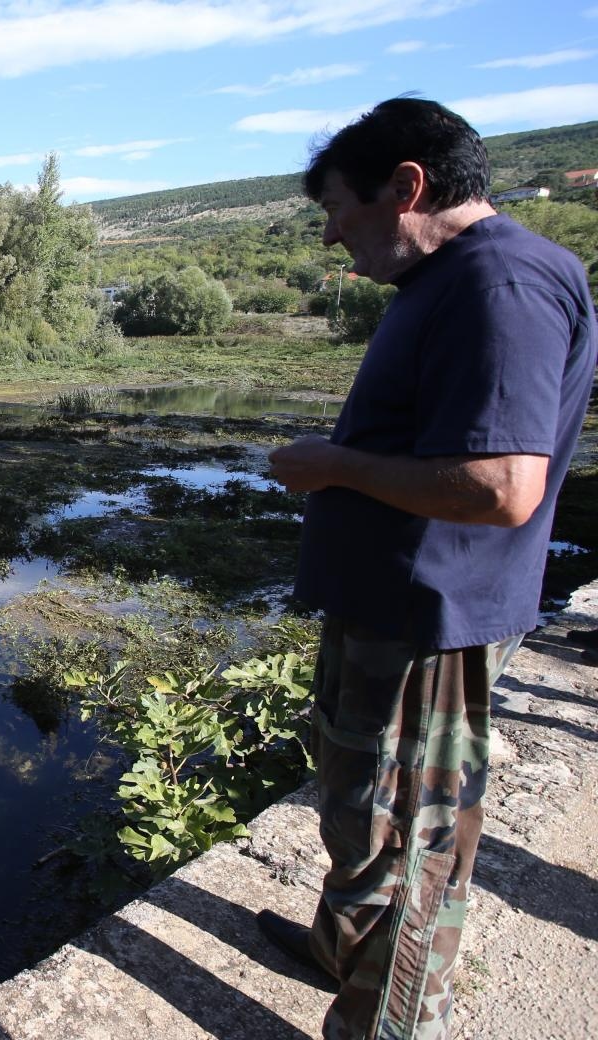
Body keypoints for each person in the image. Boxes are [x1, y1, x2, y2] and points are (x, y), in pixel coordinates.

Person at [263, 97, 595, 1040]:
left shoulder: (501, 285)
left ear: (408, 187)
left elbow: (501, 486)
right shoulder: (452, 283)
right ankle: (342, 952)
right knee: (359, 815)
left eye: (340, 211)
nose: (333, 238)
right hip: (394, 611)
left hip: (430, 624)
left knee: (407, 849)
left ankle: (387, 1023)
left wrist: (331, 466)